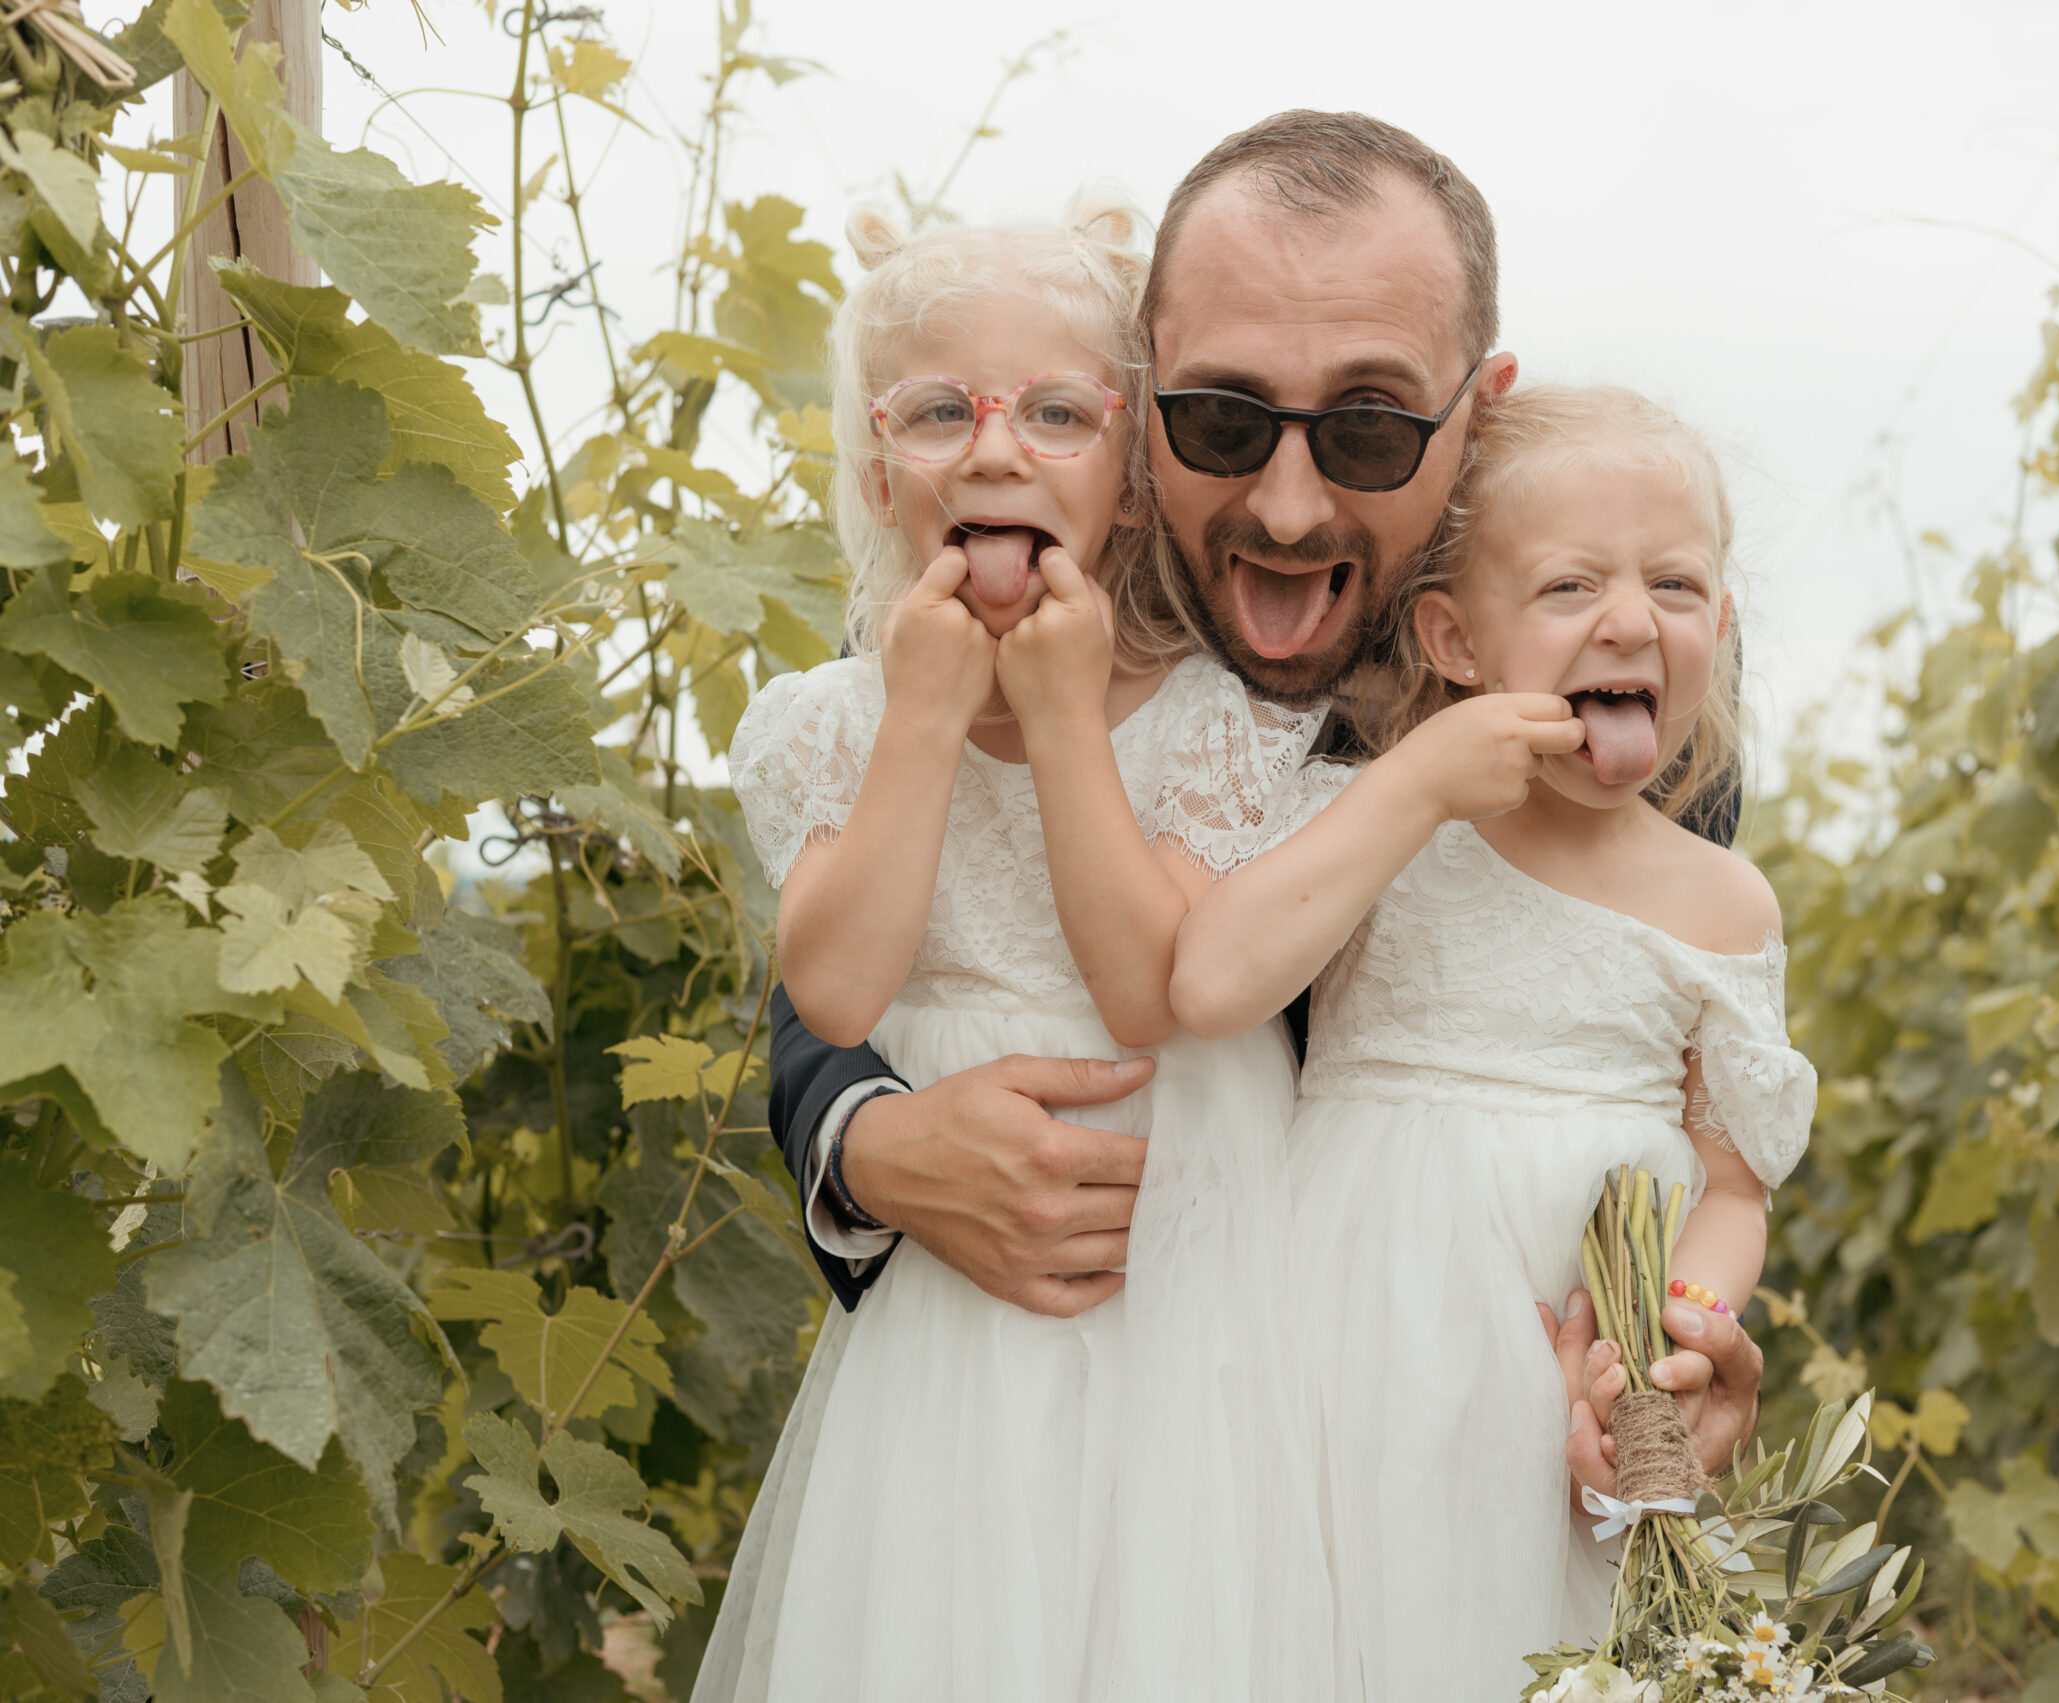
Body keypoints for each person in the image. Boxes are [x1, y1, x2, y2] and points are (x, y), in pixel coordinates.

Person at [761, 111, 1771, 1489]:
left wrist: (1690, 1344)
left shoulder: (1619, 711)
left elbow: (1670, 1095)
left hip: (1439, 1437)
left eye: (1366, 428)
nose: (1289, 508)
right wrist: (865, 1144)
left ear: (1476, 410)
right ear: (1140, 398)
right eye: (1226, 419)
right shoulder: (993, 632)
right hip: (1073, 1429)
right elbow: (872, 932)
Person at [694, 199, 1329, 1701]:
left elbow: (1145, 987)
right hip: (953, 1324)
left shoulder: (1205, 722)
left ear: (1125, 479)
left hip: (1192, 1293)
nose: (993, 452)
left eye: (1056, 413)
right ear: (874, 467)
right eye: (939, 413)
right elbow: (837, 993)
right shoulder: (824, 725)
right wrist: (920, 714)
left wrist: (1057, 715)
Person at [1168, 385, 1815, 1699]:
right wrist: (1408, 792)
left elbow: (1733, 1185)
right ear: (1457, 638)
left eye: (1677, 588)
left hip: (1567, 1380)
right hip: (1352, 1333)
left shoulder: (1722, 902)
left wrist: (1672, 1344)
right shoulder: (1379, 825)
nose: (1631, 620)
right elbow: (1219, 975)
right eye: (1572, 586)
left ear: (1721, 628)